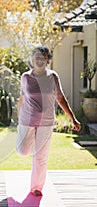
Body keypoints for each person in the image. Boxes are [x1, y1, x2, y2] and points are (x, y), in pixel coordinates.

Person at [16, 45, 81, 196]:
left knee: (41, 157)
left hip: (46, 122)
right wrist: (19, 118)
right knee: (22, 150)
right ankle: (33, 147)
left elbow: (60, 98)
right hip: (27, 120)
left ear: (48, 60)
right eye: (37, 57)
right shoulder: (26, 77)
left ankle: (36, 187)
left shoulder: (53, 77)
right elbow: (22, 98)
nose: (40, 60)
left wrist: (73, 118)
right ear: (32, 59)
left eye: (43, 58)